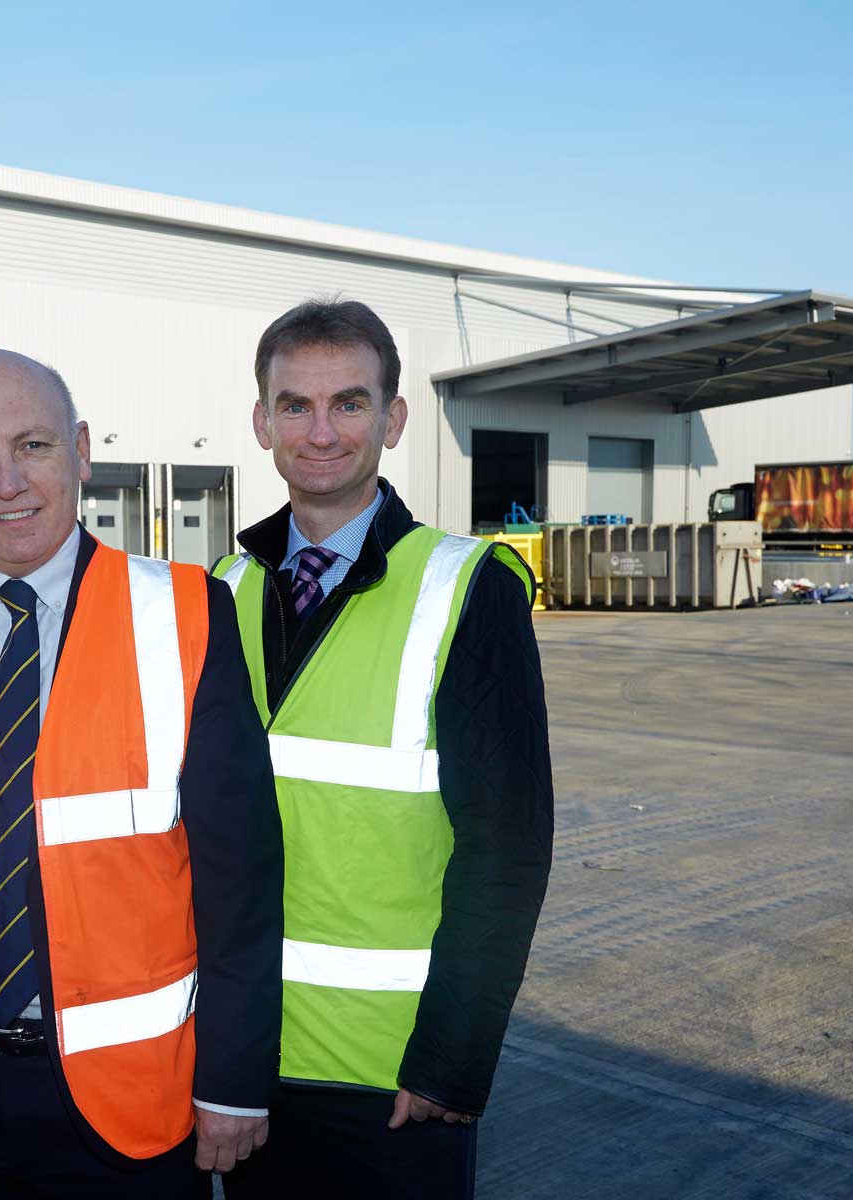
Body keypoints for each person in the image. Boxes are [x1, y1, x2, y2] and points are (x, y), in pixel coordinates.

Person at [0, 348, 284, 1197]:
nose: (6, 483)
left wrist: (236, 1079)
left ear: (82, 451)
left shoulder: (185, 612)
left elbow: (240, 878)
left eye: (31, 446)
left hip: (127, 1103)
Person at [213, 299, 554, 1199]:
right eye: (295, 406)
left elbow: (507, 848)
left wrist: (452, 1059)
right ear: (261, 422)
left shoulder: (467, 589)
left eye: (350, 404)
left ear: (393, 419)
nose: (320, 432)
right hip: (246, 1066)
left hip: (392, 1077)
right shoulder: (222, 589)